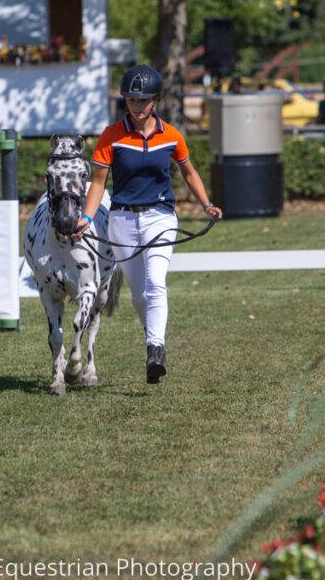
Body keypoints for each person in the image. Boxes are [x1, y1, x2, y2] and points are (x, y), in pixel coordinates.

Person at [73, 64, 222, 383]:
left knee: (156, 282)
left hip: (160, 216)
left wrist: (206, 204)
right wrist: (86, 217)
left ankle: (155, 348)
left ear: (155, 100)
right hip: (123, 220)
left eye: (143, 100)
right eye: (131, 100)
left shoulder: (171, 135)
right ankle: (151, 331)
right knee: (140, 295)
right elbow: (98, 183)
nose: (136, 106)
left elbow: (189, 173)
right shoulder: (112, 136)